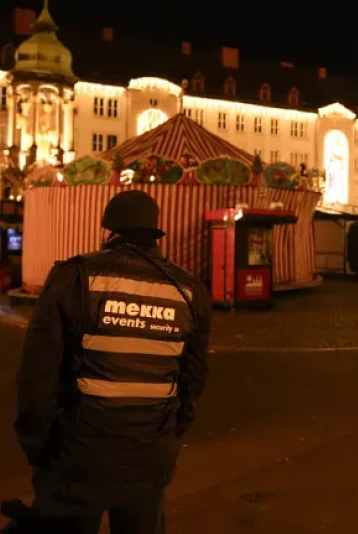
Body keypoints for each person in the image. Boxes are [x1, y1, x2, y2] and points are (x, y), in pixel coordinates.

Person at [14, 190, 211, 534]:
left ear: (109, 231)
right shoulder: (189, 291)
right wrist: (168, 434)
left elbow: (37, 377)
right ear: (154, 234)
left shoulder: (75, 277)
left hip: (80, 456)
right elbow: (193, 379)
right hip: (150, 455)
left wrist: (39, 449)